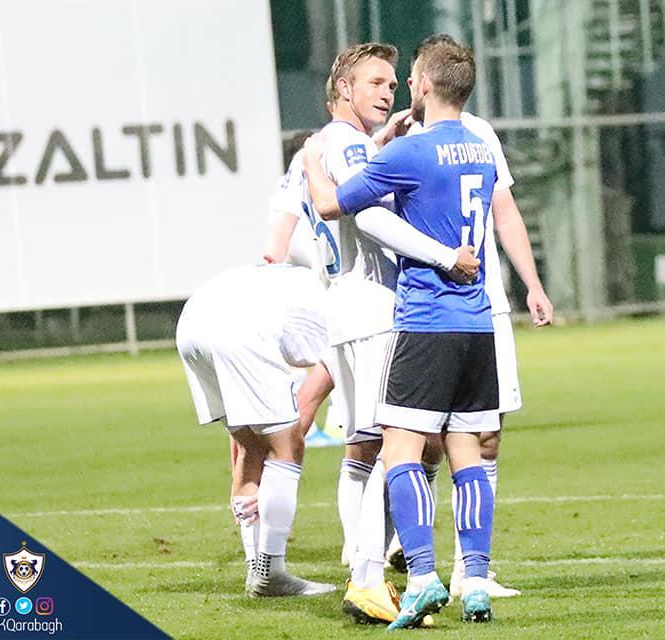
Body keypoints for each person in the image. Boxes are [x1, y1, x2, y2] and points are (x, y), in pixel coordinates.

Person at [305, 36, 500, 629]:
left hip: (419, 316)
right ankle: (470, 580)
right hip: (470, 319)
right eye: (379, 82)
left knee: (392, 449)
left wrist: (313, 166)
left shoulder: (401, 152)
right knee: (456, 449)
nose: (395, 90)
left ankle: (404, 576)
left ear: (424, 85)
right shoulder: (480, 149)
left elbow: (343, 205)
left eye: (401, 80)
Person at [374, 34, 554, 600]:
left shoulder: (478, 135)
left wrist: (532, 284)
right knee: (419, 441)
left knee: (484, 437)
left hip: (482, 304)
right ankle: (405, 550)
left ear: (426, 81)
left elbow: (505, 211)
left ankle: (469, 570)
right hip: (429, 308)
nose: (404, 87)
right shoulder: (406, 141)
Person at [175, 263, 336, 598]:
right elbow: (310, 401)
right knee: (287, 446)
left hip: (192, 321)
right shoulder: (347, 312)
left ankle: (256, 568)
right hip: (238, 328)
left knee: (253, 447)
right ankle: (270, 573)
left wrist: (247, 463)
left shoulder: (302, 283)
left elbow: (249, 428)